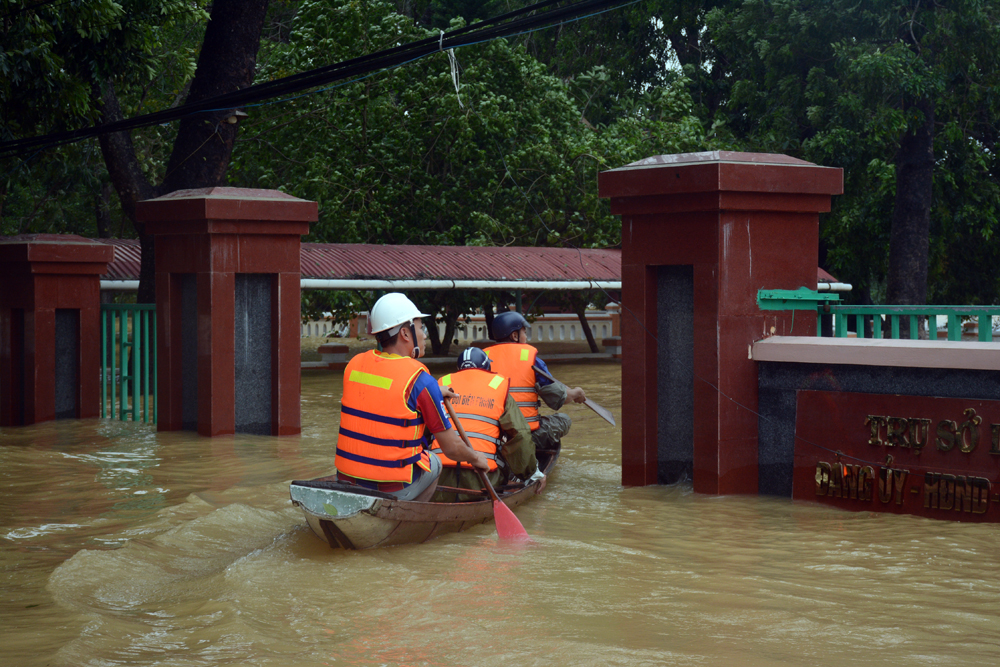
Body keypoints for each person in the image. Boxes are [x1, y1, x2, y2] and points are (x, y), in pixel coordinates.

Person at [334, 293, 489, 502]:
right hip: (391, 489)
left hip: (344, 478)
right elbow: (451, 449)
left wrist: (433, 393)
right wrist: (476, 457)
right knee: (435, 462)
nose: (424, 335)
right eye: (421, 328)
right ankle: (414, 514)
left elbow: (382, 395)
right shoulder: (421, 381)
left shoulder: (353, 365)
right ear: (406, 334)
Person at [430, 348, 545, 502]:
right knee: (507, 455)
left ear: (459, 369)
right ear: (487, 367)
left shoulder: (441, 384)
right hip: (480, 478)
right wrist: (532, 473)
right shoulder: (499, 387)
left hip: (437, 477)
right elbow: (520, 435)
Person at [485, 311, 587, 450]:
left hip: (491, 434)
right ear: (515, 336)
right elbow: (557, 399)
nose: (526, 337)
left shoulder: (483, 359)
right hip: (525, 434)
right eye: (524, 332)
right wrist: (576, 393)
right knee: (564, 420)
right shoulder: (532, 361)